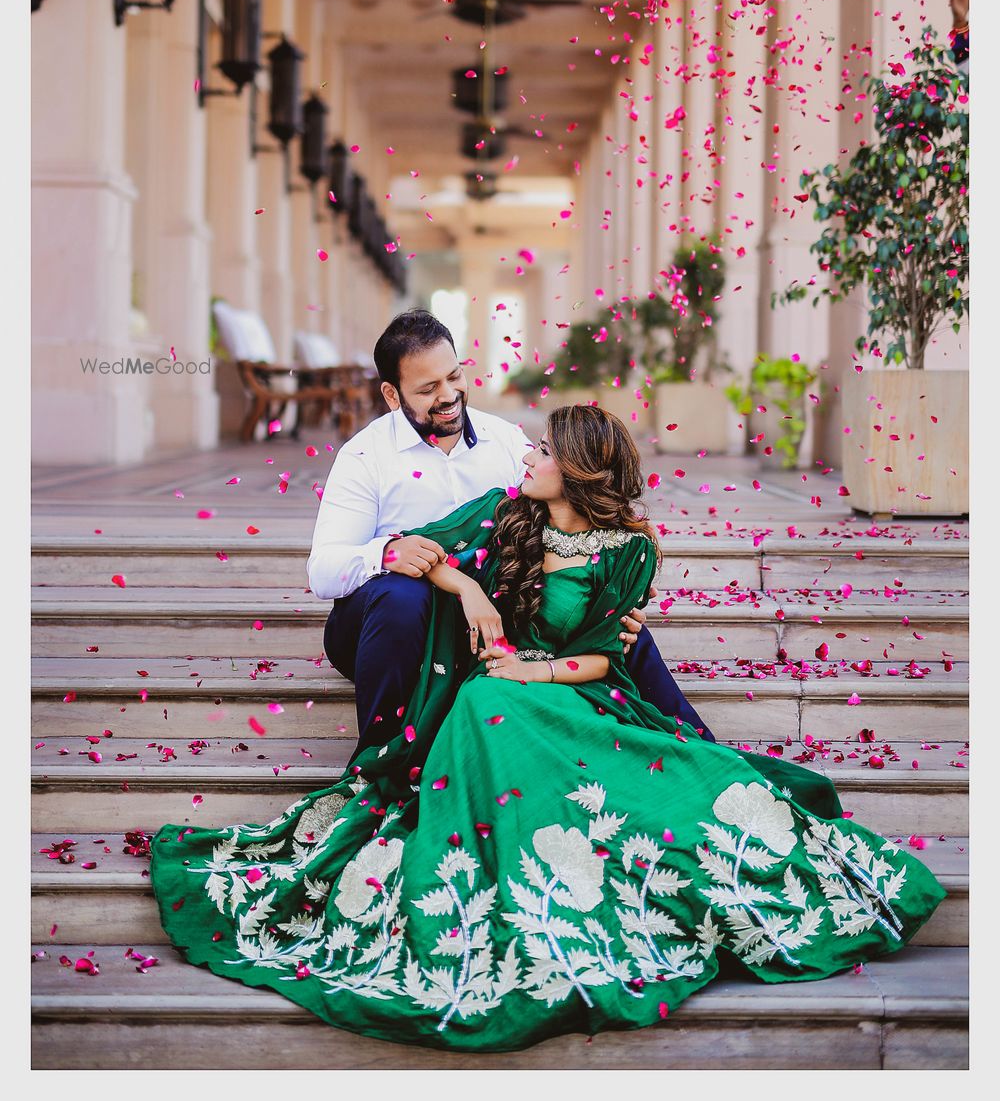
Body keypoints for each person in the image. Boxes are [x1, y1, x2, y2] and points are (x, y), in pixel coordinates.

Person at [151, 405, 945, 1055]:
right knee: (480, 707)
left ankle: (562, 892)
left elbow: (602, 659)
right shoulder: (509, 515)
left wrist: (535, 670)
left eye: (542, 447)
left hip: (565, 695)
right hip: (492, 688)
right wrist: (467, 585)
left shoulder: (630, 549)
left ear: (579, 465)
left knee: (532, 722)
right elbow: (424, 554)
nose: (526, 454)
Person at [306, 308, 714, 751]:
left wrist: (620, 587)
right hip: (389, 627)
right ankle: (385, 761)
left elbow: (566, 495)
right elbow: (323, 571)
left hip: (484, 627)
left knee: (615, 627)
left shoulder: (503, 441)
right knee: (404, 594)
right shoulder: (364, 456)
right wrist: (386, 554)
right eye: (428, 388)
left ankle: (697, 751)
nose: (448, 395)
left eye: (454, 376)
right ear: (392, 394)